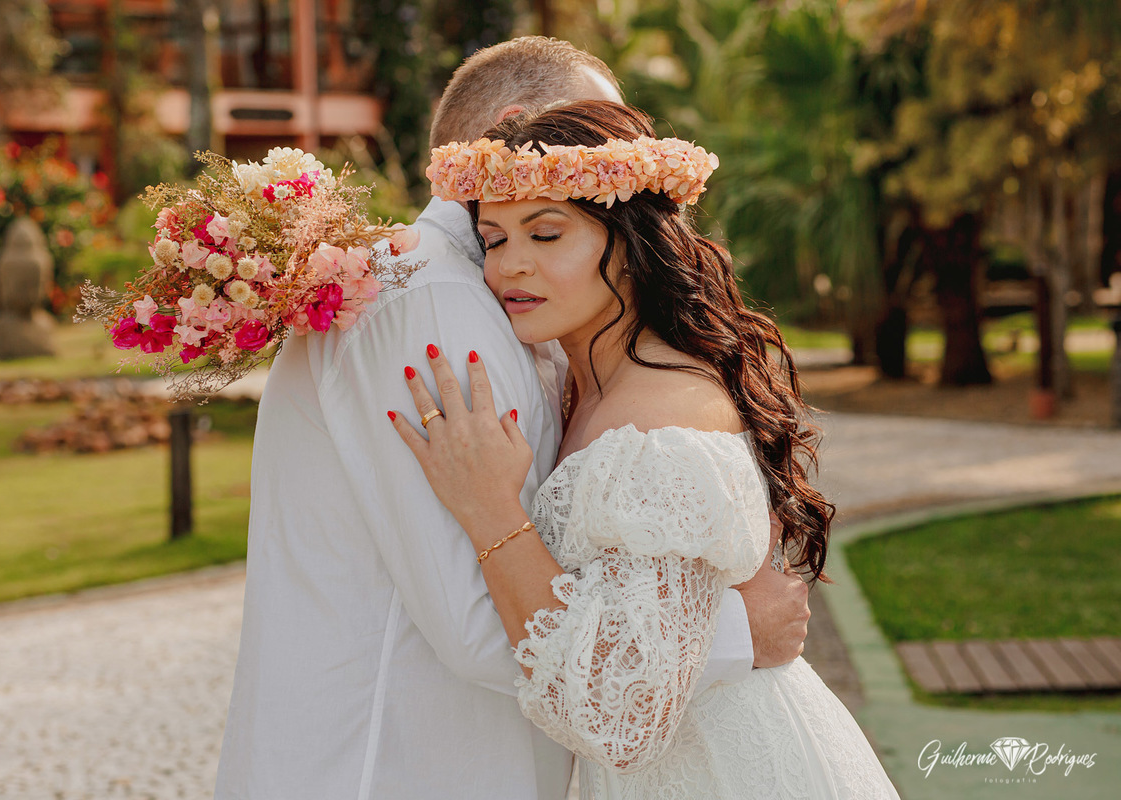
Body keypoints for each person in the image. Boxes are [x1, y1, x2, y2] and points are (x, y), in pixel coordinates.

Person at [214, 38, 809, 800]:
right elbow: (474, 622)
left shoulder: (496, 306)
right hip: (390, 767)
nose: (618, 147)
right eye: (599, 126)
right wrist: (737, 636)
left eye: (544, 232)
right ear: (522, 131)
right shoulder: (435, 298)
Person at [389, 100, 901, 799]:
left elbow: (619, 713)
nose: (511, 266)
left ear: (629, 241)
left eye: (545, 233)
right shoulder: (583, 381)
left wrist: (488, 510)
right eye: (493, 239)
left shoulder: (659, 422)